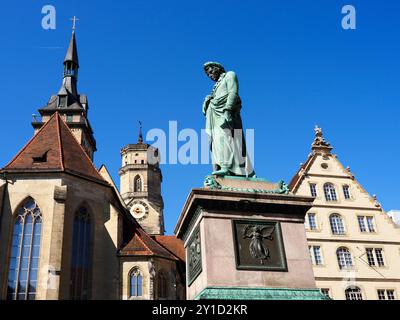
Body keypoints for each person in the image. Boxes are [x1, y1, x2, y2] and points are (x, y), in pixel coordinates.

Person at [202, 62, 255, 177]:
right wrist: (209, 100)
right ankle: (223, 166)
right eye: (208, 75)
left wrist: (228, 109)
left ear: (218, 68)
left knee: (226, 138)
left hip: (225, 113)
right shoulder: (215, 87)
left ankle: (227, 166)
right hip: (216, 116)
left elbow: (233, 92)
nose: (210, 75)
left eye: (211, 72)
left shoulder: (229, 75)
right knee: (217, 141)